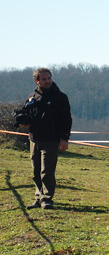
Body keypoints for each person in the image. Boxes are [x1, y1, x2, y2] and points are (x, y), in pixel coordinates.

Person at [23, 68, 72, 210]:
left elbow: (66, 119)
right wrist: (24, 122)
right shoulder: (32, 97)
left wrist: (64, 138)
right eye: (44, 79)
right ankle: (38, 197)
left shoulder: (60, 97)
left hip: (52, 139)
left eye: (49, 78)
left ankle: (47, 198)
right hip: (34, 139)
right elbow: (27, 116)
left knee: (47, 171)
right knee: (35, 170)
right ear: (36, 81)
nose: (47, 81)